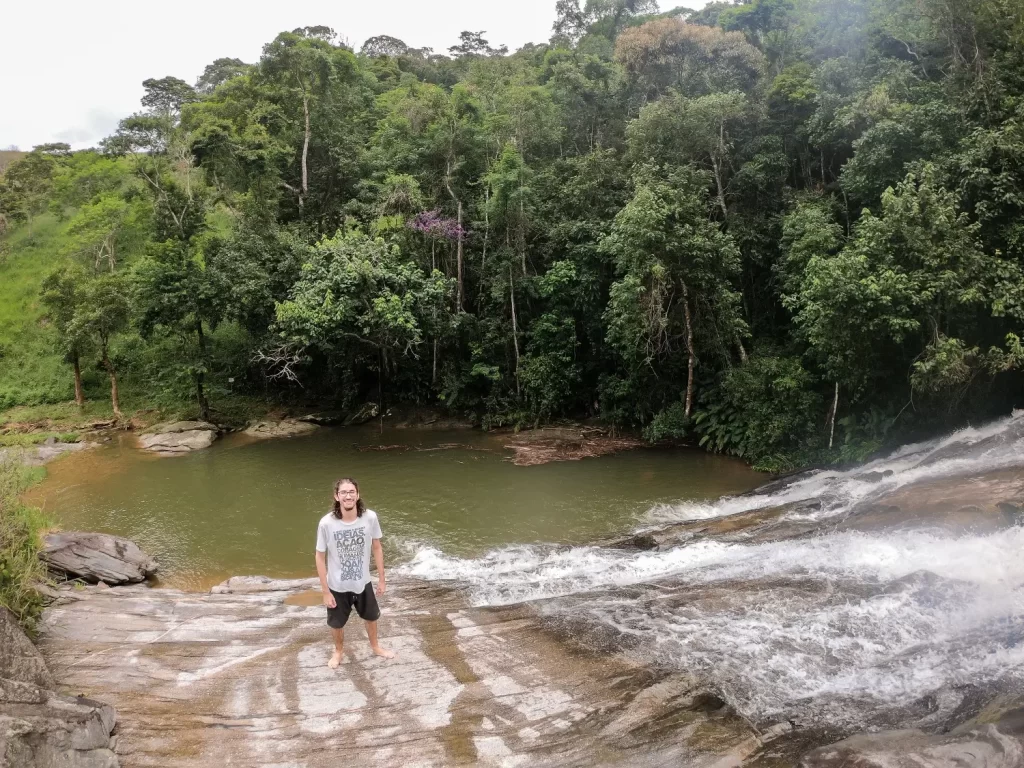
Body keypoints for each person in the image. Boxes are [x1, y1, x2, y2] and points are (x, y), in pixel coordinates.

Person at [315, 477, 396, 668]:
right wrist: (325, 591)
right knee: (336, 623)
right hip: (337, 584)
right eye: (343, 492)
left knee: (371, 617)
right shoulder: (326, 523)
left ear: (357, 495)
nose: (348, 496)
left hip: (363, 582)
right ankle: (338, 652)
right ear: (337, 496)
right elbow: (319, 556)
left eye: (351, 492)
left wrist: (382, 579)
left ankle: (376, 647)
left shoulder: (370, 518)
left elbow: (377, 547)